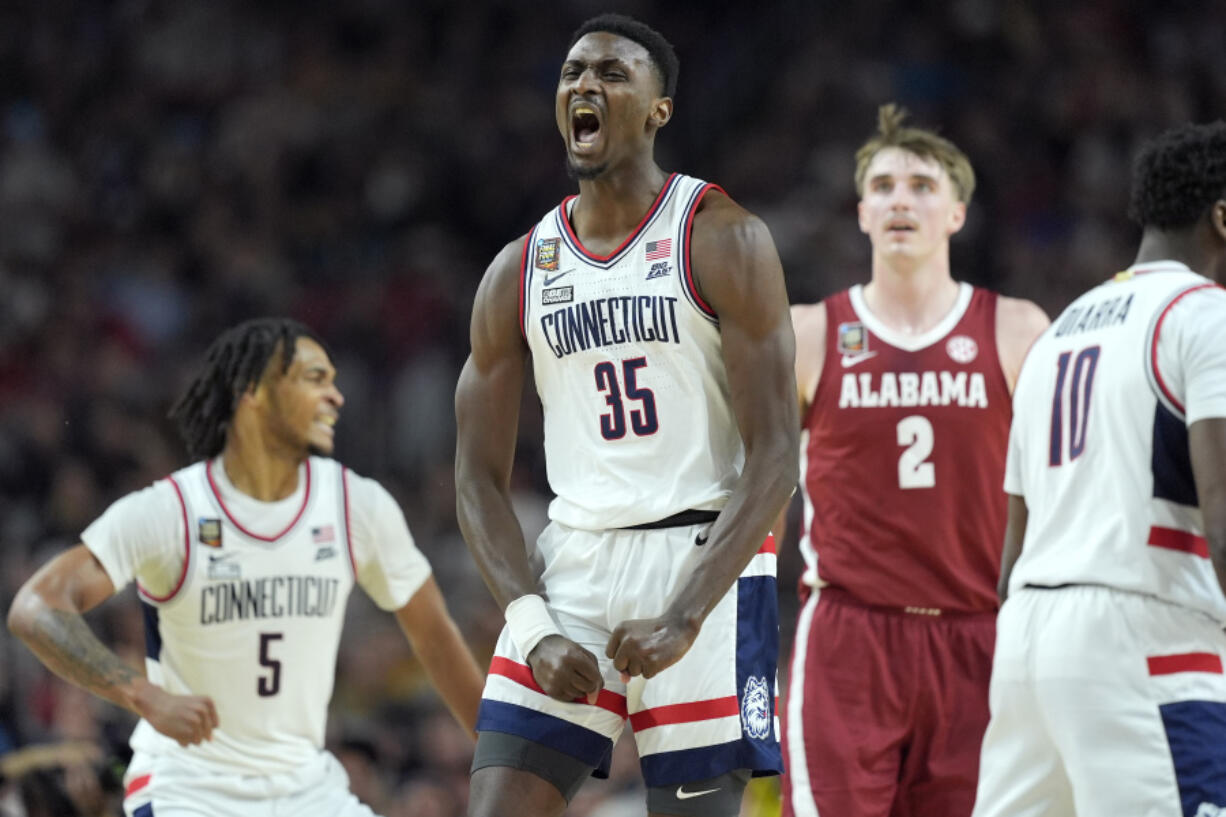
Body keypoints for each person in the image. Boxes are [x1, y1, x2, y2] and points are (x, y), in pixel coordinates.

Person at [454, 13, 798, 817]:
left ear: (657, 109)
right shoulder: (518, 269)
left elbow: (778, 455)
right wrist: (533, 624)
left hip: (702, 565)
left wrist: (684, 614)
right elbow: (474, 477)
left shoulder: (723, 238)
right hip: (574, 562)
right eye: (573, 72)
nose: (585, 85)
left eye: (612, 73)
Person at [6, 317, 485, 817]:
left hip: (306, 788)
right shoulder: (171, 511)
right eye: (313, 380)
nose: (336, 398)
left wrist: (502, 759)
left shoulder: (356, 505)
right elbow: (35, 606)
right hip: (188, 789)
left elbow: (433, 636)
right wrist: (143, 695)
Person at [782, 105, 1050, 817]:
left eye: (923, 185)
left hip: (981, 631)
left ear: (958, 213)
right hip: (849, 633)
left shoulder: (1019, 329)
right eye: (885, 185)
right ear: (863, 212)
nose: (902, 198)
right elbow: (753, 483)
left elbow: (1063, 491)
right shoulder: (810, 332)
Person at [972, 122, 1226, 815]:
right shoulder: (1207, 317)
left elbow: (1009, 554)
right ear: (1222, 217)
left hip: (1029, 636)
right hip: (1144, 631)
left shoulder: (1061, 330)